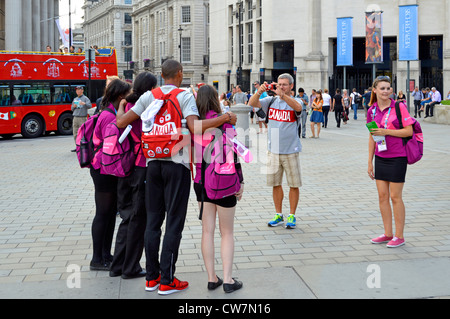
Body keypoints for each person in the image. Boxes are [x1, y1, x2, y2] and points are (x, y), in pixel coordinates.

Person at [116, 59, 237, 295]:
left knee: (153, 222)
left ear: (162, 75)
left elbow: (121, 122)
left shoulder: (147, 96)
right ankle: (168, 279)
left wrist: (121, 105)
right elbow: (195, 128)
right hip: (177, 164)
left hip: (152, 165)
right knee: (173, 221)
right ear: (180, 74)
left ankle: (152, 278)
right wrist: (223, 118)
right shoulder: (184, 96)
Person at [193, 85, 244, 293]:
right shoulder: (226, 122)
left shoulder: (194, 124)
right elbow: (234, 154)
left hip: (201, 181)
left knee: (207, 231)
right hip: (224, 181)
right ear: (215, 100)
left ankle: (212, 278)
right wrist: (240, 182)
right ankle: (229, 279)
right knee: (227, 232)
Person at [109, 72, 157, 279]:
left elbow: (120, 122)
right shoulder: (146, 106)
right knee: (139, 218)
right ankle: (130, 268)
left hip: (126, 167)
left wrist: (120, 107)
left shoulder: (127, 105)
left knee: (127, 218)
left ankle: (117, 265)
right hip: (141, 165)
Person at [249, 74, 302, 230]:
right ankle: (278, 214)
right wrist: (260, 91)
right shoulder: (271, 101)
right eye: (279, 84)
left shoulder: (295, 101)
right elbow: (252, 104)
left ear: (291, 86)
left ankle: (292, 215)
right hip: (273, 150)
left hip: (291, 150)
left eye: (285, 84)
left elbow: (298, 108)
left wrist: (283, 95)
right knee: (275, 184)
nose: (281, 87)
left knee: (294, 184)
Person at [367, 76, 414, 248]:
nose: (386, 91)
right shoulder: (371, 110)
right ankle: (387, 233)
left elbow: (408, 131)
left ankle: (399, 236)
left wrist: (386, 131)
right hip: (380, 157)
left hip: (397, 157)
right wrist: (369, 162)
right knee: (382, 197)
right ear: (375, 90)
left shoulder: (399, 107)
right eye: (382, 88)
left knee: (395, 197)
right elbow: (372, 136)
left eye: (388, 88)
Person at [90, 79, 132, 270]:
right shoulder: (109, 116)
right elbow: (110, 148)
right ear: (121, 96)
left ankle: (106, 255)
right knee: (103, 213)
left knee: (108, 214)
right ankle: (97, 259)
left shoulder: (109, 111)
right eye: (128, 93)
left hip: (106, 168)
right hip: (104, 169)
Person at [71, 86, 92, 152]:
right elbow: (71, 109)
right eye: (76, 90)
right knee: (75, 133)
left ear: (82, 90)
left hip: (82, 118)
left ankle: (83, 146)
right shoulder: (75, 99)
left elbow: (90, 106)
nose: (77, 91)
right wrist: (74, 106)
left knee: (83, 133)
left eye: (78, 90)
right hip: (75, 117)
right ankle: (77, 146)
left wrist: (84, 104)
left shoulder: (85, 98)